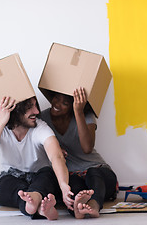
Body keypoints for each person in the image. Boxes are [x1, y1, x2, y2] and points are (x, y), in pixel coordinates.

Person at [0, 96, 74, 220]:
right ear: (15, 110)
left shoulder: (40, 127)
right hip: (11, 177)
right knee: (4, 185)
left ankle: (33, 201)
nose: (37, 111)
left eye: (35, 106)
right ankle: (37, 207)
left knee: (47, 176)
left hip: (39, 177)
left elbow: (56, 156)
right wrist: (2, 122)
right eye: (30, 107)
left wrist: (63, 184)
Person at [40, 87, 118, 219]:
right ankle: (76, 210)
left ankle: (94, 204)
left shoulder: (86, 116)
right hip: (70, 175)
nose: (57, 104)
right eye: (56, 98)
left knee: (94, 173)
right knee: (73, 188)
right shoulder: (43, 118)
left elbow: (87, 148)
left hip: (98, 171)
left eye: (65, 103)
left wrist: (78, 111)